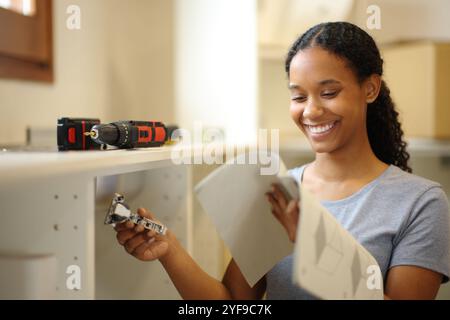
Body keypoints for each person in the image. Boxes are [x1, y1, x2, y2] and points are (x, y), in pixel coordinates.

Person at [114, 22, 450, 300]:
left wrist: (319, 250)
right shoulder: (277, 193)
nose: (311, 110)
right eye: (298, 96)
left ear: (370, 89)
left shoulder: (420, 203)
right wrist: (170, 250)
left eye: (329, 93)